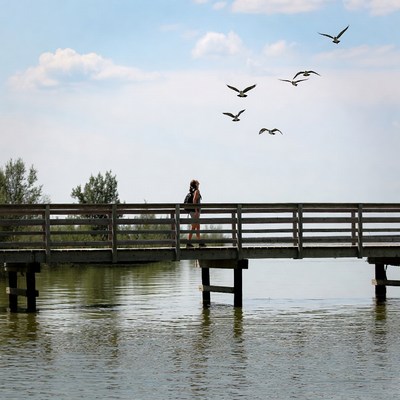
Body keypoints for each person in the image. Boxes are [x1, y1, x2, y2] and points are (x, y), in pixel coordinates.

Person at [187, 179, 204, 247]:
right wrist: (196, 211)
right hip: (195, 212)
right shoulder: (197, 191)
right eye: (197, 183)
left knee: (196, 227)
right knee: (194, 226)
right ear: (195, 184)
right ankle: (193, 242)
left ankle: (198, 242)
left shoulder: (193, 191)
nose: (199, 183)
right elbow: (194, 200)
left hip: (193, 211)